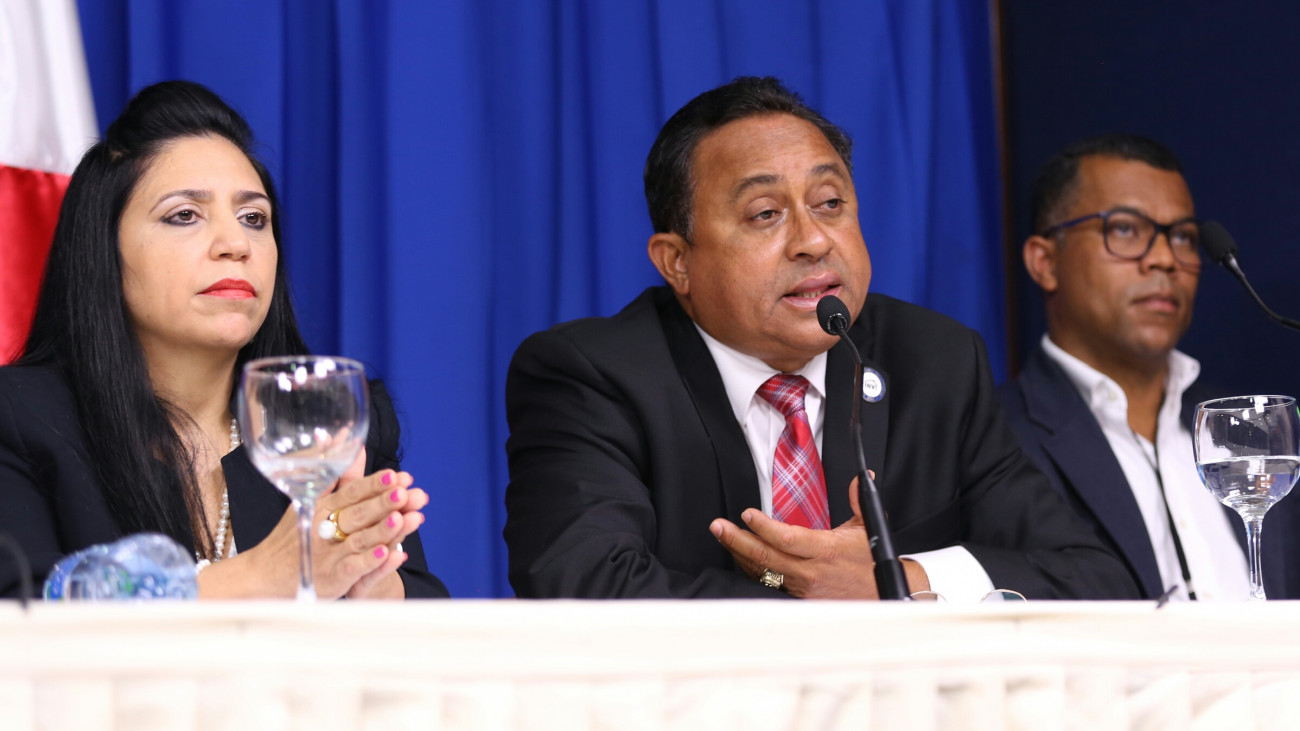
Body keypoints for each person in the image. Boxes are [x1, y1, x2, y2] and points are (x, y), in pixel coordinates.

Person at [503, 76, 1138, 600]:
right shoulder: (592, 375)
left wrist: (900, 581)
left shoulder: (934, 361)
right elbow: (581, 584)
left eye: (830, 203)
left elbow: (1094, 580)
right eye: (765, 214)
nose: (812, 240)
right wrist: (816, 598)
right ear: (678, 263)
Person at [0, 81, 447, 599]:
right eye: (184, 215)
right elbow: (20, 611)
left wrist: (370, 587)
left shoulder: (326, 418)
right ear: (102, 251)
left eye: (254, 219)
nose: (236, 244)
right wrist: (262, 577)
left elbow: (427, 618)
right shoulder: (19, 418)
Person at [997, 134, 1296, 601]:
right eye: (1124, 229)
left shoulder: (1254, 433)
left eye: (1183, 237)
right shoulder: (995, 440)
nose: (1164, 259)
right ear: (1045, 262)